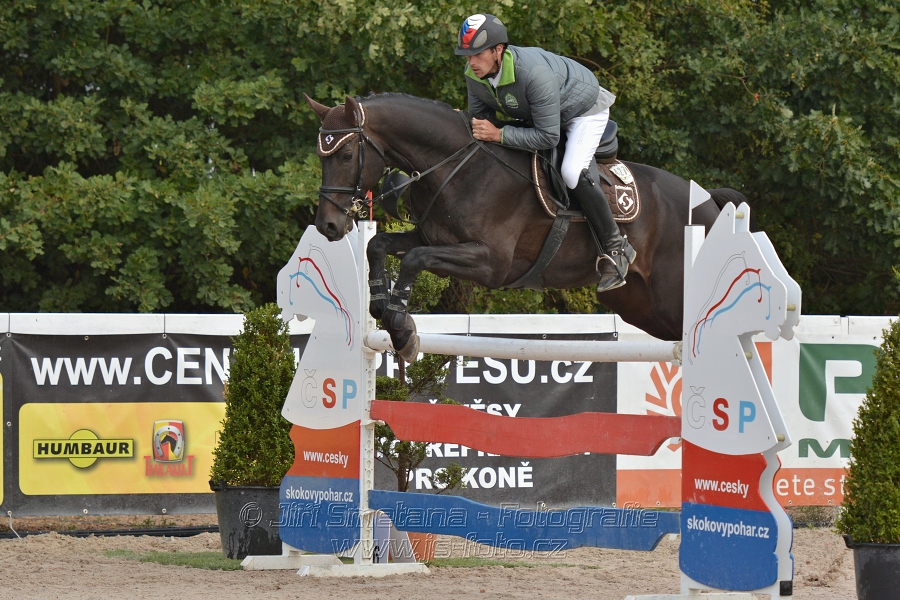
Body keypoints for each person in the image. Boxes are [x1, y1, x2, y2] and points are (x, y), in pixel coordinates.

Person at [455, 14, 635, 292]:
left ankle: (616, 248)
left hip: (583, 111)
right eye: (467, 57)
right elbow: (480, 125)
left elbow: (549, 136)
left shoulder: (533, 73)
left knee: (571, 172)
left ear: (498, 50)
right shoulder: (474, 76)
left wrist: (500, 133)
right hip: (542, 114)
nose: (471, 63)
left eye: (477, 55)